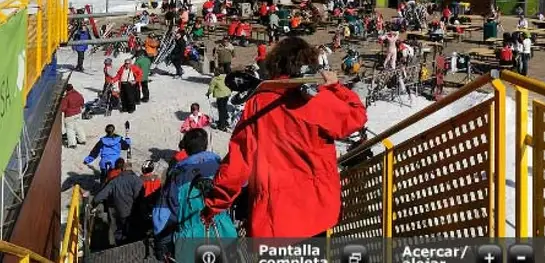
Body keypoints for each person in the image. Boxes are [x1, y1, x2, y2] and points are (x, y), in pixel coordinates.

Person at [201, 36, 368, 237]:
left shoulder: (259, 103)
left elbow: (238, 162)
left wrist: (215, 203)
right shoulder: (317, 98)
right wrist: (335, 86)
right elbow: (356, 116)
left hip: (274, 218)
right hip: (317, 210)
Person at [152, 129, 238, 261]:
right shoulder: (221, 168)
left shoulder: (177, 177)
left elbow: (163, 215)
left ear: (186, 148)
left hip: (191, 242)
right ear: (205, 144)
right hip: (224, 232)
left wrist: (162, 243)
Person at [90, 158, 144, 245]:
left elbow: (100, 196)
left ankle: (119, 244)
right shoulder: (137, 180)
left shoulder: (114, 181)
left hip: (119, 212)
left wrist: (93, 202)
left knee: (119, 230)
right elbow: (140, 196)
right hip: (133, 212)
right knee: (132, 231)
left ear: (122, 169)